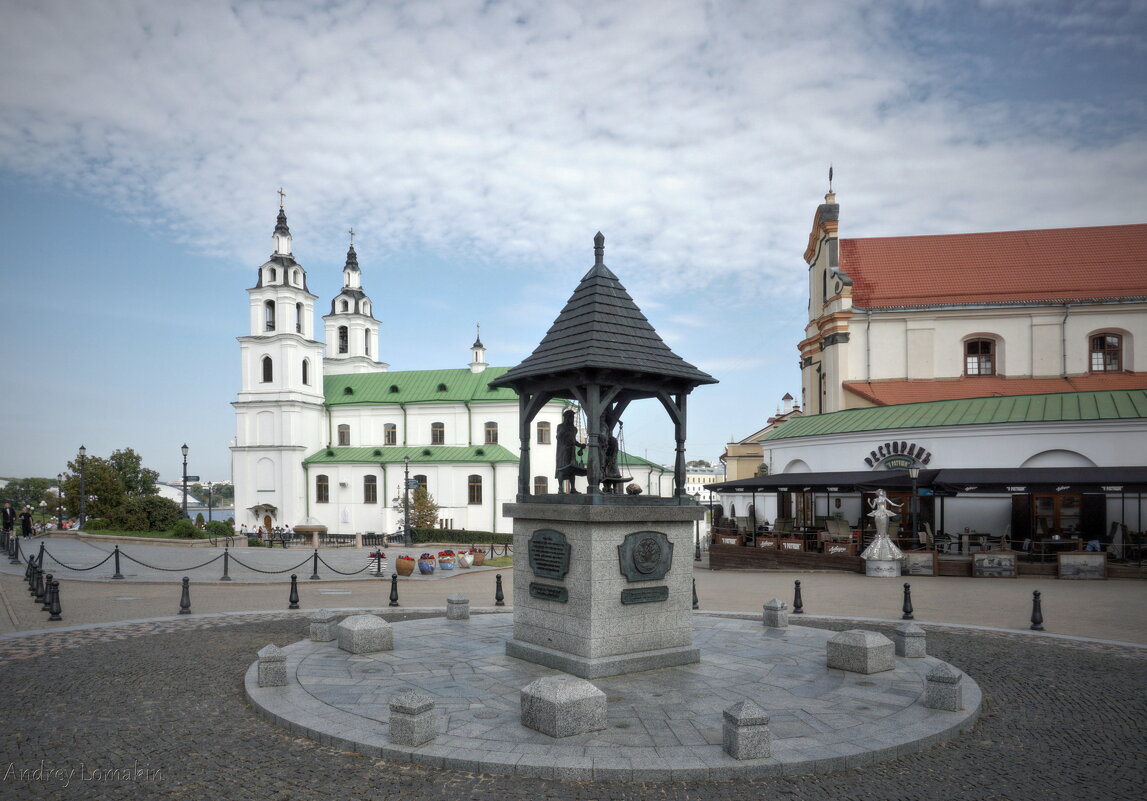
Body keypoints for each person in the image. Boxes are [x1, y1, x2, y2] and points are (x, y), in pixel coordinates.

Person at [555, 408, 586, 494]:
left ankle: (573, 488)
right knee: (562, 468)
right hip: (563, 452)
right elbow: (558, 437)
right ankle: (560, 488)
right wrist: (563, 430)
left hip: (571, 452)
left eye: (573, 417)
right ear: (566, 418)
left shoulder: (574, 429)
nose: (572, 419)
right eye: (570, 417)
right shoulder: (560, 426)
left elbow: (573, 440)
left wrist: (580, 445)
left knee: (572, 469)